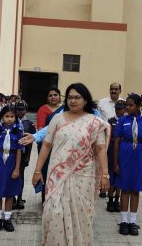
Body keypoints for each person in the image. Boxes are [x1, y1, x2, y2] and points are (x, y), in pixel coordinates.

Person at [31, 83, 110, 245]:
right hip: (57, 175)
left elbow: (101, 149)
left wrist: (104, 174)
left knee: (81, 215)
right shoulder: (57, 119)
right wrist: (37, 170)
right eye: (70, 97)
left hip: (84, 176)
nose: (73, 101)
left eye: (77, 97)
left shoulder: (94, 122)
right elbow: (46, 145)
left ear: (85, 100)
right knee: (54, 211)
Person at [114, 94, 142, 236]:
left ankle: (132, 221)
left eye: (130, 105)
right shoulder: (122, 120)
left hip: (140, 157)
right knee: (125, 188)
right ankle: (124, 221)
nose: (127, 108)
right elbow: (117, 141)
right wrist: (115, 162)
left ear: (138, 106)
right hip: (125, 155)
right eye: (127, 105)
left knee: (135, 190)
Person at [0, 106, 24, 232]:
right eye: (7, 116)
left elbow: (19, 151)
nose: (9, 119)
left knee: (10, 192)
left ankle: (7, 219)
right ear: (2, 117)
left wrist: (17, 169)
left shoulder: (18, 132)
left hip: (11, 163)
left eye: (12, 116)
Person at [97, 83, 124, 197]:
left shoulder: (125, 102)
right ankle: (103, 188)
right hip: (103, 137)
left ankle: (115, 190)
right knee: (104, 162)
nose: (113, 91)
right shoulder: (102, 102)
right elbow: (97, 117)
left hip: (120, 140)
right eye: (112, 89)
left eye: (116, 89)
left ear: (120, 90)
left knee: (117, 164)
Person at [13, 100, 36, 210]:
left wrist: (28, 156)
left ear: (25, 110)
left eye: (22, 110)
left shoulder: (29, 124)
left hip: (22, 155)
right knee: (11, 176)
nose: (20, 112)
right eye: (18, 109)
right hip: (11, 154)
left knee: (20, 176)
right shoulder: (11, 122)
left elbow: (30, 143)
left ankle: (20, 198)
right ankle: (12, 198)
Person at [106, 100, 126, 213]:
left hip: (122, 149)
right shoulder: (111, 121)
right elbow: (108, 136)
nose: (119, 111)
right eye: (117, 109)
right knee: (111, 174)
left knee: (120, 174)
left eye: (121, 109)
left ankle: (117, 200)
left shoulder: (127, 121)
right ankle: (110, 199)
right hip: (112, 149)